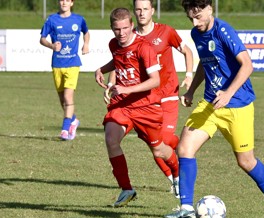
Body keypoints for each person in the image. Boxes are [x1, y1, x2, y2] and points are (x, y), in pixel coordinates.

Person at [164, 0, 264, 218]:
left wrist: (228, 93)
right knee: (184, 149)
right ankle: (187, 209)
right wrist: (191, 91)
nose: (195, 22)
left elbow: (247, 65)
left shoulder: (224, 31)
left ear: (210, 9)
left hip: (237, 105)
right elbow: (205, 61)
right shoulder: (197, 33)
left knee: (246, 161)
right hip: (210, 103)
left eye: (198, 16)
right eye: (191, 17)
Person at [94, 7, 179, 207]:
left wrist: (126, 89)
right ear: (112, 28)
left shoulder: (144, 48)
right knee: (111, 139)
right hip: (123, 106)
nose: (121, 33)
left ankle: (177, 174)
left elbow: (155, 81)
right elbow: (118, 59)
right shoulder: (114, 44)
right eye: (117, 29)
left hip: (146, 106)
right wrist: (101, 69)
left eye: (125, 28)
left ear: (132, 26)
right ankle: (126, 189)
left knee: (159, 151)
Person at [131, 0, 194, 198]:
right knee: (155, 145)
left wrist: (189, 75)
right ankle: (173, 179)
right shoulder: (130, 37)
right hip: (144, 99)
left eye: (145, 9)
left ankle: (184, 146)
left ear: (153, 11)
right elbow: (120, 62)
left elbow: (187, 51)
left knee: (165, 140)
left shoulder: (166, 31)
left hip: (167, 93)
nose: (141, 13)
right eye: (138, 9)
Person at [40, 0, 90, 140]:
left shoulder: (79, 19)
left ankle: (64, 129)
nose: (64, 2)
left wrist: (86, 45)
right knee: (63, 101)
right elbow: (42, 39)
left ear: (71, 3)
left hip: (73, 64)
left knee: (68, 98)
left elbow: (86, 32)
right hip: (57, 65)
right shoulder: (51, 20)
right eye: (62, 0)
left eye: (67, 0)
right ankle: (73, 120)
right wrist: (51, 45)